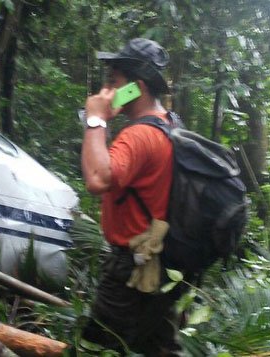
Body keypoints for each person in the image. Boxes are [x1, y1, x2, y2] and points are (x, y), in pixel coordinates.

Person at [78, 38, 184, 356]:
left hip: (129, 270)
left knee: (96, 348)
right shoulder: (171, 125)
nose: (106, 90)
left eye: (114, 82)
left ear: (136, 87)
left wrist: (95, 118)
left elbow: (97, 178)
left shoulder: (139, 135)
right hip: (162, 266)